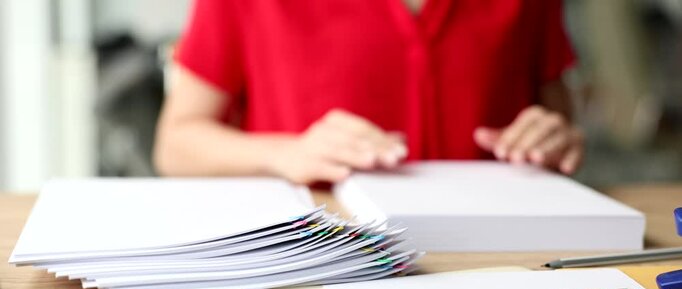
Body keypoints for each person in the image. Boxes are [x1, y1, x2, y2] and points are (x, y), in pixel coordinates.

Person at [154, 0, 583, 184]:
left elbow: (557, 119)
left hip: (499, 267)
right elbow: (176, 143)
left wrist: (553, 138)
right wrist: (284, 152)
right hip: (318, 264)